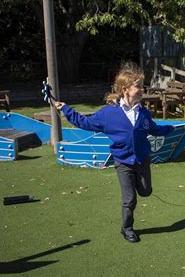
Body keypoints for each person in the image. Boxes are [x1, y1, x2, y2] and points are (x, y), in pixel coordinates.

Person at [55, 65, 174, 243]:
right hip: (123, 162)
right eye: (138, 87)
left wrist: (171, 129)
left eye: (142, 86)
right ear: (125, 90)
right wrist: (66, 109)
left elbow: (154, 129)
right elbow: (84, 122)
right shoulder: (108, 114)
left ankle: (142, 189)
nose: (142, 90)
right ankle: (127, 229)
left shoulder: (143, 113)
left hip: (142, 160)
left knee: (146, 191)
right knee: (130, 199)